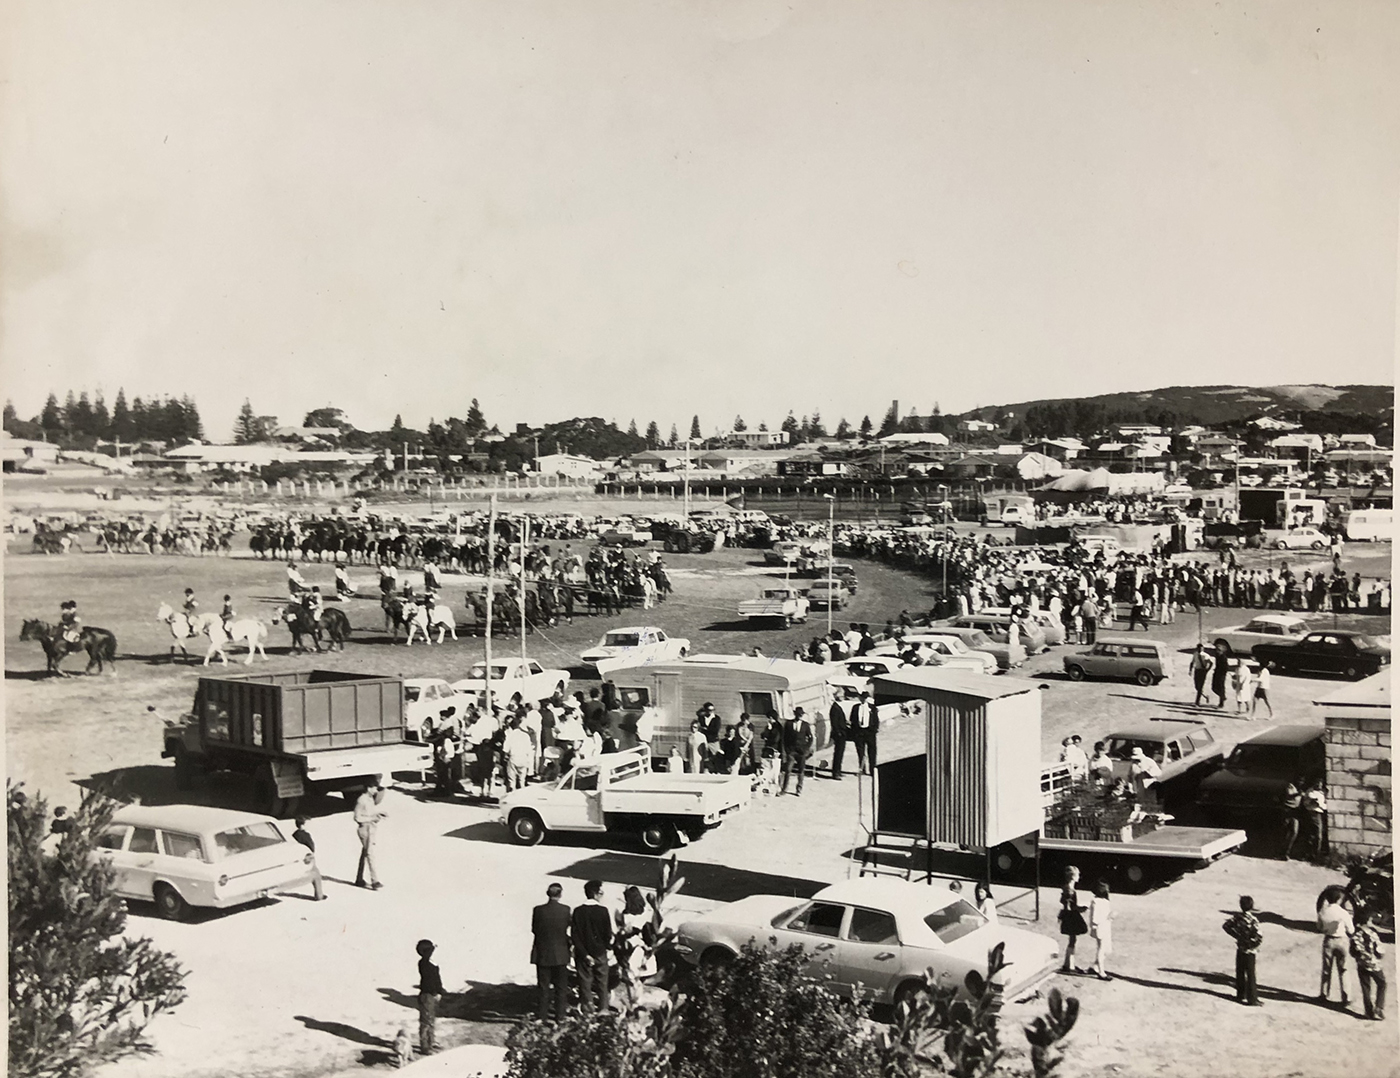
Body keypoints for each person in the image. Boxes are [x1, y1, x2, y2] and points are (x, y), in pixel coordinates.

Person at [531, 883, 572, 1020]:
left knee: (543, 987)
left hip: (543, 952)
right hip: (560, 953)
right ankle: (560, 1017)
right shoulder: (566, 910)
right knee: (561, 987)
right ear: (560, 894)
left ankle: (541, 1016)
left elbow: (535, 929)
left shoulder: (538, 910)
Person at [571, 880, 613, 1013]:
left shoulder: (578, 911)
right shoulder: (603, 911)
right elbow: (607, 933)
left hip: (583, 953)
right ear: (596, 893)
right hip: (600, 951)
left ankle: (587, 1010)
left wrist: (584, 954)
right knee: (602, 982)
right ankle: (603, 1009)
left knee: (585, 982)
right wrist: (606, 947)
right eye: (601, 892)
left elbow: (575, 935)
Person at [1223, 895, 1263, 1006]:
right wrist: (1252, 945)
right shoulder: (1253, 920)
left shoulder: (1237, 917)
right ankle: (1252, 998)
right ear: (1252, 906)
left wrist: (1237, 936)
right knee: (1250, 974)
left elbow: (1226, 926)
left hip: (1240, 948)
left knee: (1240, 972)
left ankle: (1240, 995)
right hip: (1250, 951)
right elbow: (1259, 937)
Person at [615, 885, 658, 987]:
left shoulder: (626, 914)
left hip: (633, 944)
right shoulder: (647, 911)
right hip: (646, 942)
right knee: (644, 969)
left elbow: (627, 930)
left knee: (633, 969)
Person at [1318, 888, 1354, 1008]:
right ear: (1339, 899)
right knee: (1344, 969)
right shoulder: (1344, 913)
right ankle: (1346, 997)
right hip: (1342, 940)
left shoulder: (1323, 912)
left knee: (1326, 969)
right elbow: (1351, 930)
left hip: (1329, 940)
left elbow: (1320, 928)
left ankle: (1324, 994)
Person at [1351, 907, 1387, 1021]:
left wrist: (1360, 957)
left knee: (1366, 988)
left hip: (1362, 964)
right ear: (1367, 921)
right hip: (1374, 964)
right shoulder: (1373, 933)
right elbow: (1379, 950)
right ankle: (1379, 1007)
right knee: (1382, 983)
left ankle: (1368, 1011)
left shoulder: (1355, 935)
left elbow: (1353, 952)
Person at [353, 781, 387, 890]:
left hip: (371, 828)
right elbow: (357, 817)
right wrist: (372, 818)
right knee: (370, 854)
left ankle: (359, 879)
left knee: (365, 853)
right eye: (374, 788)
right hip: (364, 829)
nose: (376, 790)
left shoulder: (370, 799)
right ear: (368, 788)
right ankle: (374, 881)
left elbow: (369, 813)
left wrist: (378, 814)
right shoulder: (361, 800)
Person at [415, 939, 444, 1056]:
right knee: (426, 1021)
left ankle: (431, 1042)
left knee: (430, 1020)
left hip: (430, 995)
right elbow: (429, 981)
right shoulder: (425, 963)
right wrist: (435, 992)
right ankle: (425, 1046)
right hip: (427, 995)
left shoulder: (429, 962)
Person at [1058, 866, 1089, 973]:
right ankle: (1070, 965)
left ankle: (1067, 963)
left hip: (1068, 916)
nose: (1079, 877)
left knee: (1072, 939)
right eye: (1078, 875)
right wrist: (1080, 908)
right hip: (1071, 917)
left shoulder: (1067, 888)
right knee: (1072, 940)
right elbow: (1070, 906)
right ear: (1073, 877)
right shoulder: (1070, 890)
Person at [779, 707, 815, 797]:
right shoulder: (789, 724)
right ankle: (784, 789)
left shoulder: (805, 725)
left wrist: (806, 748)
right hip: (791, 751)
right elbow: (784, 737)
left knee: (801, 771)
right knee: (788, 770)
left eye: (801, 715)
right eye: (798, 714)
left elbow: (810, 738)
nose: (799, 716)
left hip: (801, 752)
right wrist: (786, 750)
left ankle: (799, 789)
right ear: (795, 714)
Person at [291, 816, 327, 901]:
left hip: (297, 857)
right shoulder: (306, 835)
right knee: (316, 875)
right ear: (303, 825)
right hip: (307, 857)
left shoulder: (295, 834)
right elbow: (312, 847)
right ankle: (319, 895)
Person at [1088, 881, 1113, 981]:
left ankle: (1095, 966)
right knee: (1102, 948)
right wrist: (1094, 925)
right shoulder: (1096, 901)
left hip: (1105, 926)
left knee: (1106, 949)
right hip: (1100, 927)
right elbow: (1095, 916)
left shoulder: (1104, 902)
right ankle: (1101, 971)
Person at [1302, 781, 1328, 861]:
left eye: (1320, 784)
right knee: (1311, 834)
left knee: (1318, 835)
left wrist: (1321, 805)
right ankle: (1309, 854)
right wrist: (1312, 802)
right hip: (1311, 813)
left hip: (1320, 813)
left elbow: (1325, 804)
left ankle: (1316, 854)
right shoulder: (1310, 791)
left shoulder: (1323, 793)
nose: (1319, 785)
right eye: (1317, 783)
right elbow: (1307, 802)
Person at [828, 695, 851, 779]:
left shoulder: (837, 707)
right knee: (838, 753)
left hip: (841, 733)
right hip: (839, 734)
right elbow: (834, 722)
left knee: (840, 753)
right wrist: (838, 732)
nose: (843, 697)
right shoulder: (835, 708)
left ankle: (838, 771)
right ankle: (836, 772)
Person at [1279, 782, 1303, 861]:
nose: (1301, 782)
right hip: (1287, 810)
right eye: (1300, 780)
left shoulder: (1301, 789)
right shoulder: (1290, 786)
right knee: (1285, 832)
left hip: (1295, 812)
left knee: (1294, 832)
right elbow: (1289, 795)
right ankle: (1282, 853)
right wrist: (1298, 794)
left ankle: (1287, 852)